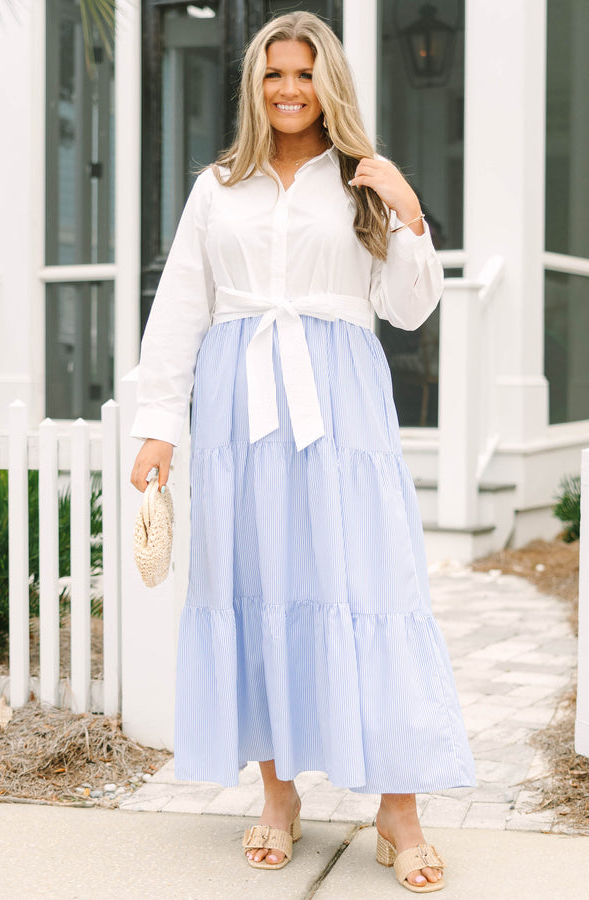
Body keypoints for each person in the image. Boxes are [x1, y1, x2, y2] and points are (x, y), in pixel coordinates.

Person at [130, 11, 475, 893]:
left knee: (373, 586)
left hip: (343, 409)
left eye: (305, 74)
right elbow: (180, 309)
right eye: (275, 74)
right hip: (241, 411)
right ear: (256, 84)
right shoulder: (218, 186)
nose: (289, 89)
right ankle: (277, 797)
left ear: (330, 84)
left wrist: (406, 210)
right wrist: (158, 426)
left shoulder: (363, 182)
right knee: (257, 587)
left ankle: (399, 810)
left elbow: (409, 307)